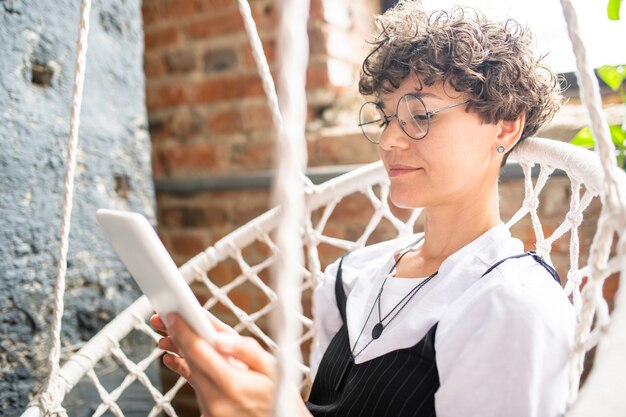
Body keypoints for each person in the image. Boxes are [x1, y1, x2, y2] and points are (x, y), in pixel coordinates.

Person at [150, 2, 575, 416]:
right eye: (386, 117)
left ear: (505, 125)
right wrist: (247, 382)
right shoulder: (351, 277)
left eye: (420, 114)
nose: (391, 141)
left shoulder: (511, 306)